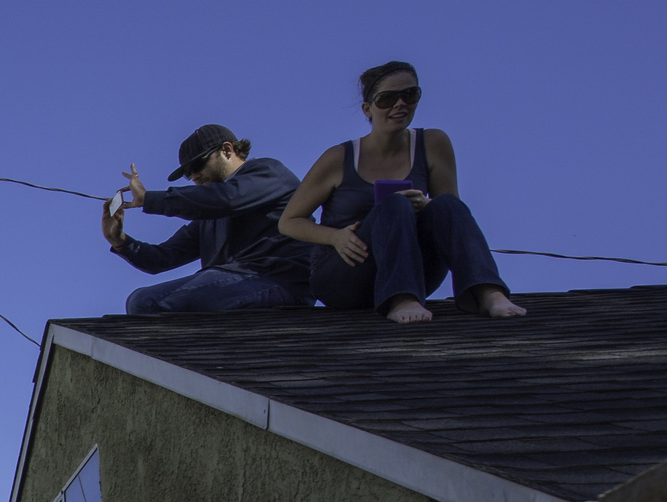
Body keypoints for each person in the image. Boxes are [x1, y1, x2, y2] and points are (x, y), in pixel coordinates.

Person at [278, 61, 525, 326]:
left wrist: (426, 204)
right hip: (346, 272)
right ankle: (400, 298)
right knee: (394, 204)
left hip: (414, 269)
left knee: (446, 204)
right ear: (368, 109)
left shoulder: (432, 143)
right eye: (386, 99)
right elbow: (288, 222)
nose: (399, 105)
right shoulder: (339, 158)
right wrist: (336, 237)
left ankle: (487, 292)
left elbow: (449, 214)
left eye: (409, 95)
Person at [102, 124, 311, 315]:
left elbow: (227, 199)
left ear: (227, 150)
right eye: (188, 173)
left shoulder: (268, 173)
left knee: (146, 302)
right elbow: (164, 257)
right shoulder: (209, 217)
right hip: (239, 282)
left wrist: (150, 199)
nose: (194, 176)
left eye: (198, 165)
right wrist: (119, 240)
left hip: (279, 281)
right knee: (140, 301)